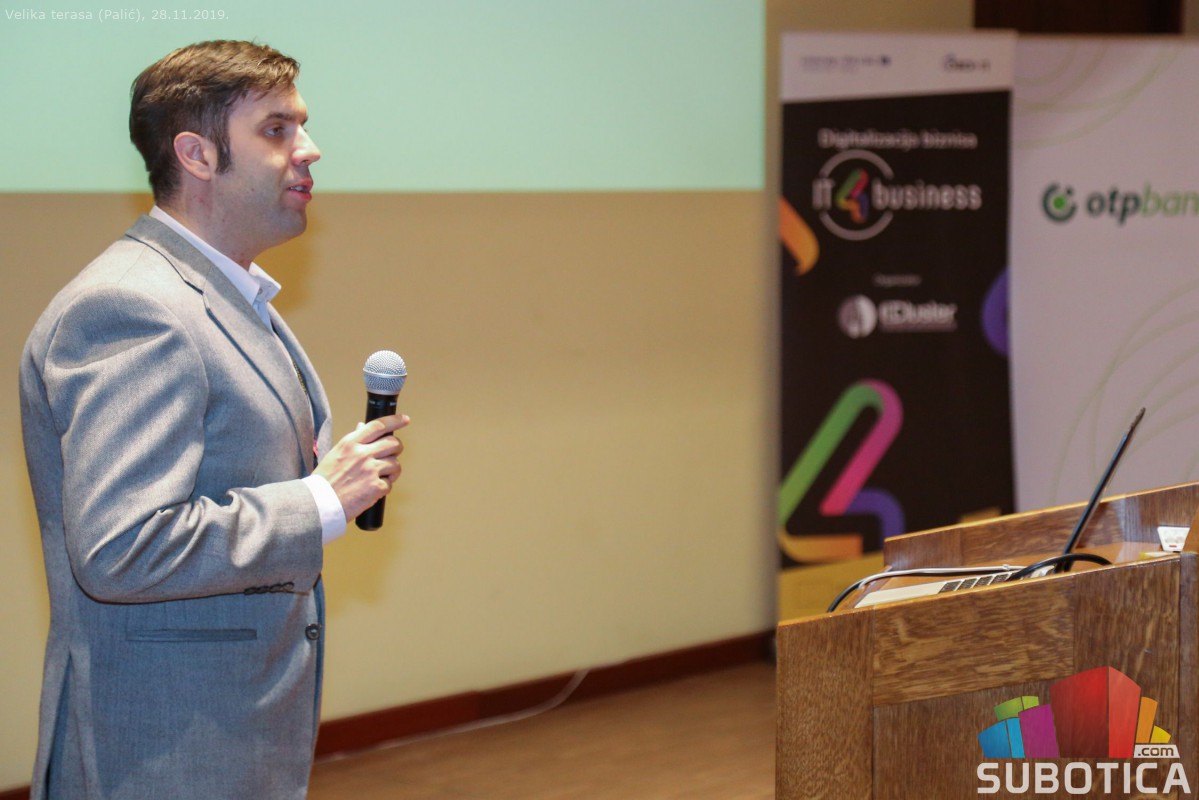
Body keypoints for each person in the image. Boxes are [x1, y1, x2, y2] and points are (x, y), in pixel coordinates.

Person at [19, 40, 407, 799]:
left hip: (224, 731)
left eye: (302, 126)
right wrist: (318, 502)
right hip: (161, 746)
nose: (309, 150)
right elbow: (121, 547)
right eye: (277, 130)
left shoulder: (227, 294)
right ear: (196, 154)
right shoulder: (133, 307)